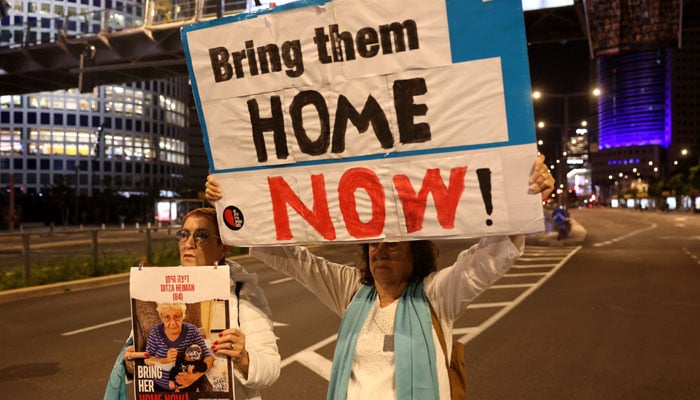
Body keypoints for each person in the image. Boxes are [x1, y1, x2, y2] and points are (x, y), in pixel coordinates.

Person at [204, 155, 555, 399]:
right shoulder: (353, 292)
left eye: (392, 245)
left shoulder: (435, 295)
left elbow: (485, 262)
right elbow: (294, 260)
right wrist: (233, 202)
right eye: (373, 244)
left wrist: (526, 196)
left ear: (415, 253)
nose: (380, 252)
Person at [104, 207, 281, 400]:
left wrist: (244, 359)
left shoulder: (243, 292)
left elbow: (270, 369)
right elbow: (140, 357)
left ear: (224, 246)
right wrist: (131, 363)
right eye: (184, 235)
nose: (189, 243)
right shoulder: (160, 288)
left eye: (201, 236)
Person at [142, 302, 214, 392]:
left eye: (177, 317)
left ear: (182, 316)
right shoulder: (156, 332)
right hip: (161, 388)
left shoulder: (192, 331)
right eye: (167, 317)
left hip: (189, 389)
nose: (172, 323)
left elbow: (209, 357)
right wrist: (165, 360)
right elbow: (147, 359)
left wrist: (194, 377)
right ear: (161, 317)